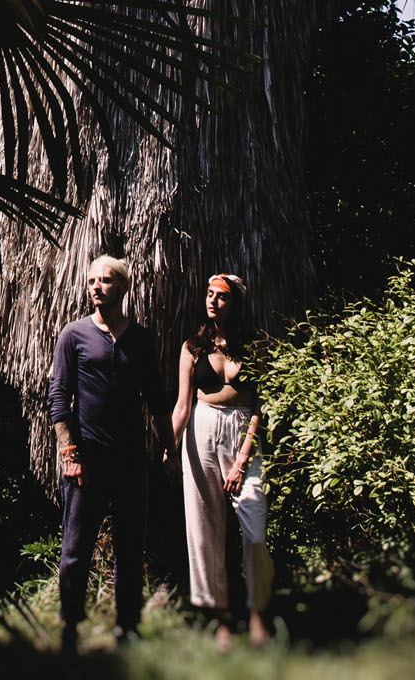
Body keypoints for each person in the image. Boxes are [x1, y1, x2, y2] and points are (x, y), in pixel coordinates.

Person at [46, 253, 163, 652]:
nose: (97, 286)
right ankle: (70, 627)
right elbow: (59, 397)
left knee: (130, 549)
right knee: (75, 548)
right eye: (92, 280)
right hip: (87, 459)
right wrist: (69, 453)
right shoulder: (73, 334)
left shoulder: (141, 339)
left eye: (106, 280)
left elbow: (157, 399)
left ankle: (127, 629)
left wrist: (169, 448)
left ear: (123, 287)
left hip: (130, 459)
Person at [170, 273, 273, 646]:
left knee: (255, 526)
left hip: (243, 431)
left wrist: (243, 458)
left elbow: (261, 406)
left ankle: (258, 616)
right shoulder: (193, 347)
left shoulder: (255, 346)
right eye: (210, 294)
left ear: (236, 303)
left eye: (222, 296)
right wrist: (169, 446)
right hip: (201, 431)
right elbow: (182, 406)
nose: (213, 300)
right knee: (204, 529)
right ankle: (221, 620)